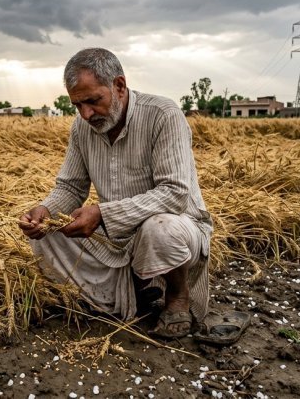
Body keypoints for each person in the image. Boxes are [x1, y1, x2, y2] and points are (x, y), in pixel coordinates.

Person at [18, 48, 213, 338]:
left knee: (159, 228)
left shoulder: (163, 115)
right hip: (118, 236)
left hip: (178, 228)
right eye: (77, 105)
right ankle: (132, 293)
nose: (86, 114)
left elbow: (174, 194)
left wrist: (102, 213)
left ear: (119, 86)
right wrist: (45, 211)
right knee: (48, 236)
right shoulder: (82, 129)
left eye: (94, 101)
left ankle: (176, 298)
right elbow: (71, 187)